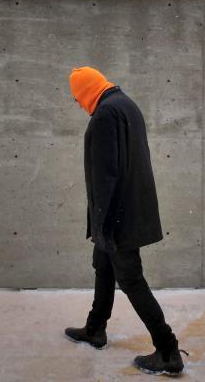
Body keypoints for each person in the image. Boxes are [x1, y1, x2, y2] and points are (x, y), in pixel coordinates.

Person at [63, 66, 189, 376]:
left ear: (86, 92)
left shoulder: (105, 115)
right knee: (103, 267)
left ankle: (168, 350)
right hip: (128, 210)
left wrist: (103, 222)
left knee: (131, 279)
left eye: (76, 98)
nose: (78, 105)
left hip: (117, 216)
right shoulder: (126, 104)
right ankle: (95, 329)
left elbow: (106, 174)